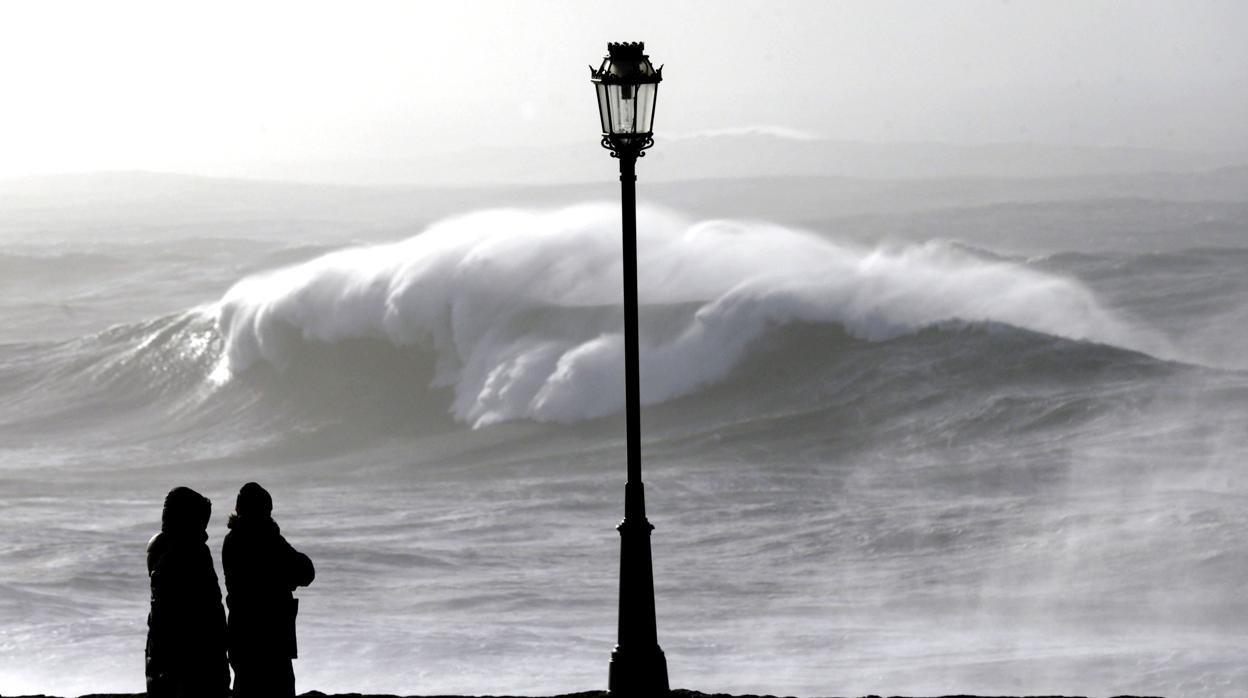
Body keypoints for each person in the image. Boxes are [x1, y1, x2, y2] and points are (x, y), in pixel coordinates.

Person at [223, 482, 315, 698]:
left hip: (242, 635)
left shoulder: (232, 540)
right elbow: (306, 571)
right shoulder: (267, 540)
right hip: (271, 639)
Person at [145, 486, 230, 698]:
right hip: (194, 669)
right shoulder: (189, 554)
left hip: (167, 667)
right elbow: (197, 618)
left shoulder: (162, 550)